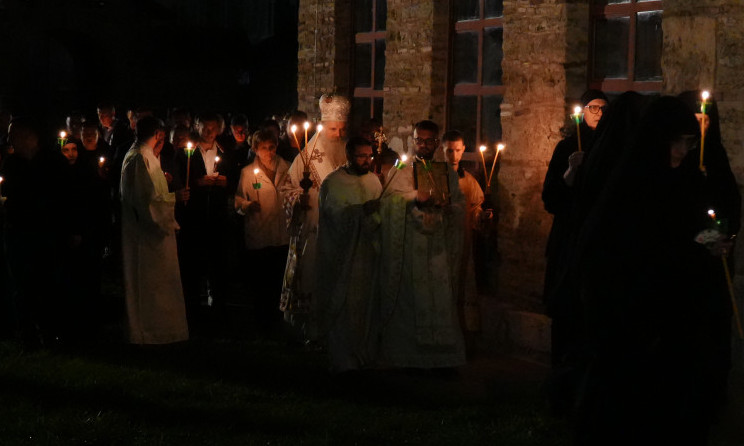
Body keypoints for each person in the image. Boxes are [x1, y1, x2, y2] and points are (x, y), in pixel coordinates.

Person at [573, 96, 720, 445]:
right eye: (679, 142)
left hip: (667, 320)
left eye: (690, 142)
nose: (683, 151)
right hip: (630, 317)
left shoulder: (681, 181)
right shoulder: (631, 185)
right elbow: (616, 250)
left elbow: (689, 229)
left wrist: (710, 240)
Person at [377, 120, 466, 369]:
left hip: (438, 248)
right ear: (413, 141)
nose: (423, 145)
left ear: (437, 143)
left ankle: (441, 359)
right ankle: (409, 357)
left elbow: (459, 203)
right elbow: (387, 202)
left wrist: (450, 207)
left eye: (429, 141)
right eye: (419, 140)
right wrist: (415, 197)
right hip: (411, 246)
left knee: (439, 300)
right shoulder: (401, 167)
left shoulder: (447, 171)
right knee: (413, 301)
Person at [541, 89, 608, 390]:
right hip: (568, 239)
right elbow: (551, 198)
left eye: (604, 109)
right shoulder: (567, 147)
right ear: (582, 112)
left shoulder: (610, 147)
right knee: (565, 307)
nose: (598, 113)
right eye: (592, 107)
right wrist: (571, 170)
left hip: (595, 241)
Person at [279, 94, 349, 341]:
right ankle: (309, 329)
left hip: (341, 232)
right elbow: (286, 189)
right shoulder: (306, 156)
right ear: (323, 125)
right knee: (310, 276)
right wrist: (299, 197)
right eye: (333, 129)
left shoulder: (349, 155)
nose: (338, 134)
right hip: (312, 229)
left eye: (342, 129)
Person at [120, 116, 188, 344]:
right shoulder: (139, 159)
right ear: (158, 134)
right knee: (149, 285)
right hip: (146, 236)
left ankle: (164, 330)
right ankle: (150, 333)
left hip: (157, 235)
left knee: (162, 284)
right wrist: (174, 197)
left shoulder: (147, 156)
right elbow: (145, 203)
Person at [316, 136, 382, 371]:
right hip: (344, 259)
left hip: (367, 257)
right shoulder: (333, 183)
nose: (366, 160)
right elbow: (333, 216)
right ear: (349, 156)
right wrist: (360, 211)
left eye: (369, 155)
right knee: (345, 306)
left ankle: (365, 351)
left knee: (366, 305)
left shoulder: (374, 181)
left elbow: (380, 217)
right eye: (361, 156)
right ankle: (341, 355)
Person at [175, 112, 231, 333]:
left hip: (216, 218)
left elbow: (233, 179)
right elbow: (180, 182)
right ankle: (192, 314)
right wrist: (197, 183)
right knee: (193, 269)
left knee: (218, 268)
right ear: (197, 128)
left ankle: (218, 313)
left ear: (219, 129)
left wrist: (225, 182)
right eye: (205, 128)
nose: (209, 132)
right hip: (194, 219)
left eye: (213, 128)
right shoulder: (185, 154)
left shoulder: (225, 153)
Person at [234, 129, 290, 336]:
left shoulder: (287, 168)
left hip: (281, 234)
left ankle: (278, 320)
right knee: (261, 282)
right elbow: (238, 200)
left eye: (272, 147)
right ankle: (261, 322)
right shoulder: (248, 173)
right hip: (259, 233)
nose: (269, 152)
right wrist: (247, 205)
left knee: (278, 280)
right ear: (255, 150)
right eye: (264, 148)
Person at [442, 130, 490, 348]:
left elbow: (476, 208)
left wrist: (482, 215)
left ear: (463, 150)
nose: (454, 155)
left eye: (458, 150)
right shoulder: (433, 176)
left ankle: (463, 334)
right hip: (439, 244)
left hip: (462, 242)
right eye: (449, 150)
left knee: (462, 284)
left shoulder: (468, 180)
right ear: (442, 150)